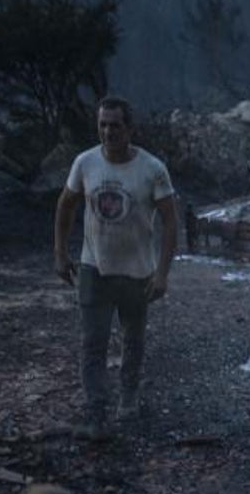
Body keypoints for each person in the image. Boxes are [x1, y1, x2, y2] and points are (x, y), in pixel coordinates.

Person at [53, 96, 177, 440]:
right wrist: (60, 252)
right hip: (95, 267)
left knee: (133, 340)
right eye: (103, 124)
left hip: (137, 271)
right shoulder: (85, 163)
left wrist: (163, 274)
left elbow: (170, 222)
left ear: (130, 128)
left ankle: (128, 398)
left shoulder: (152, 169)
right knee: (93, 342)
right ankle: (95, 412)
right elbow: (65, 206)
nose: (108, 131)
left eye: (115, 125)